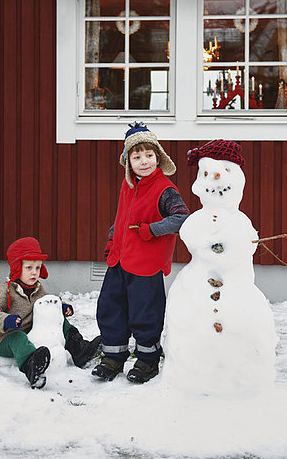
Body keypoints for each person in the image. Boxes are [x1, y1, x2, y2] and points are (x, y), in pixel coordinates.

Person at [92, 122, 190, 384]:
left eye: (149, 155)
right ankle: (113, 356)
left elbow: (182, 218)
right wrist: (112, 239)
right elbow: (121, 217)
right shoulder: (129, 185)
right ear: (128, 162)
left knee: (144, 313)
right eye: (137, 157)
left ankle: (147, 360)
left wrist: (152, 230)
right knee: (110, 308)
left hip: (146, 266)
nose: (144, 161)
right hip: (120, 261)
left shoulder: (165, 189)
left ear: (158, 157)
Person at [0, 236, 101, 389]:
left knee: (60, 320)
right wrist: (5, 320)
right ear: (17, 268)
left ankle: (78, 349)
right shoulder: (6, 291)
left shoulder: (38, 289)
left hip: (31, 332)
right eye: (29, 268)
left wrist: (60, 308)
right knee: (17, 337)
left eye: (38, 268)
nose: (34, 272)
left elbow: (47, 305)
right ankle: (32, 366)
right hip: (6, 338)